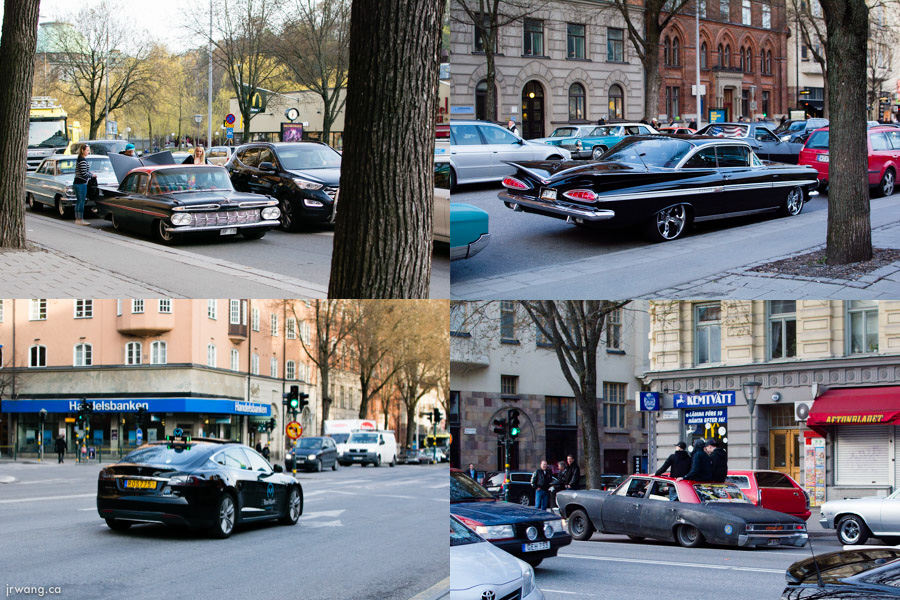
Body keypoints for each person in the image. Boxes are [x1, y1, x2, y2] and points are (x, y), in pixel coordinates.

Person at [73, 143, 93, 226]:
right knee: (81, 201)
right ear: (83, 150)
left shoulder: (79, 159)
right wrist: (92, 175)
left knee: (78, 201)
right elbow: (84, 173)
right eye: (87, 150)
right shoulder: (82, 160)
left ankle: (77, 218)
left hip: (77, 182)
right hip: (81, 183)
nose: (88, 152)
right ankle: (80, 219)